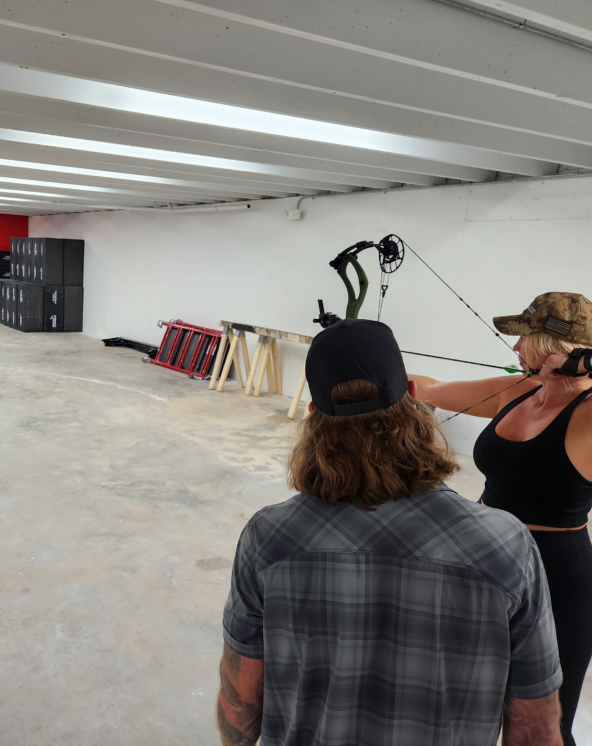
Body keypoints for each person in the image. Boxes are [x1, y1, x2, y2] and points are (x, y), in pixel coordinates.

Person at [218, 318, 564, 746]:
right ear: (414, 399)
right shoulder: (504, 543)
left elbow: (241, 702)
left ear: (311, 415)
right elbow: (535, 727)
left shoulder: (268, 538)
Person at [408, 292, 592, 746]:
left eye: (524, 339)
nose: (516, 349)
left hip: (555, 573)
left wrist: (587, 361)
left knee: (544, 725)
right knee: (458, 698)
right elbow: (429, 389)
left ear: (552, 346)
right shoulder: (521, 392)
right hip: (481, 562)